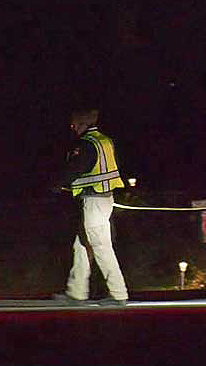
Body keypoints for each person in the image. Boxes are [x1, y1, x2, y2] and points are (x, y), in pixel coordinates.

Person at [52, 108, 129, 306]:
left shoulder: (86, 144)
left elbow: (76, 168)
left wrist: (57, 184)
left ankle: (119, 294)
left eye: (73, 125)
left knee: (101, 246)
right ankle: (76, 292)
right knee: (82, 245)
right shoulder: (104, 140)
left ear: (81, 124)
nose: (73, 129)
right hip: (104, 198)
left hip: (93, 200)